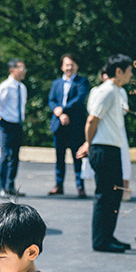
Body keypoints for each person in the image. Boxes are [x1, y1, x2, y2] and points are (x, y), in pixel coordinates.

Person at [76, 54, 134, 253]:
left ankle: (108, 236)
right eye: (129, 70)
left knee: (113, 195)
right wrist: (89, 143)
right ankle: (101, 240)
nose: (131, 74)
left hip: (111, 148)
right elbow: (92, 120)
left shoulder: (116, 91)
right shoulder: (107, 91)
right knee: (105, 195)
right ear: (118, 71)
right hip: (103, 148)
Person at [47, 54, 90, 198]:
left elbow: (79, 99)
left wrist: (63, 110)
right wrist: (58, 113)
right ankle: (58, 185)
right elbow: (51, 100)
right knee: (59, 157)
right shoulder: (56, 83)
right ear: (62, 67)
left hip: (75, 125)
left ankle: (80, 186)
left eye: (71, 64)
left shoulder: (82, 82)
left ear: (76, 66)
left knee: (77, 156)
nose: (69, 67)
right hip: (58, 125)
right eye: (66, 65)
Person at [0, 58, 28, 198]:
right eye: (20, 68)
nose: (23, 71)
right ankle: (1, 187)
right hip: (5, 123)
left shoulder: (22, 88)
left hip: (17, 124)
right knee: (5, 155)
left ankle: (10, 185)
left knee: (15, 156)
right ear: (12, 70)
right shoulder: (5, 86)